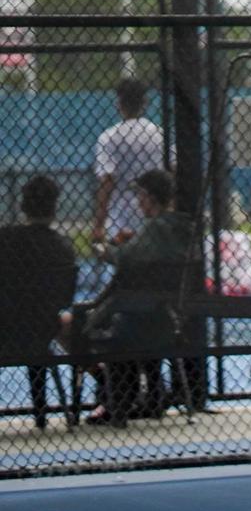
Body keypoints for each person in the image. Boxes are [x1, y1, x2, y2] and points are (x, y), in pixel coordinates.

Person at [82, 169, 194, 426]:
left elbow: (124, 258)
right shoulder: (183, 227)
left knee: (96, 322)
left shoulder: (155, 228)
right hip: (168, 317)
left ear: (149, 196)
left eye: (140, 196)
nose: (137, 201)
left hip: (138, 318)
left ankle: (113, 393)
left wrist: (103, 248)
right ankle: (148, 392)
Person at [0, 177, 78, 427]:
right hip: (42, 330)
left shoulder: (5, 240)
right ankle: (41, 411)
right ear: (55, 208)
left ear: (23, 206)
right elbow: (66, 298)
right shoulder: (62, 248)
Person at [93, 78, 165, 246]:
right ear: (145, 102)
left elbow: (107, 181)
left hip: (120, 217)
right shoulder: (160, 134)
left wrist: (98, 225)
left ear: (118, 103)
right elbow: (173, 171)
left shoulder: (109, 137)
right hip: (154, 212)